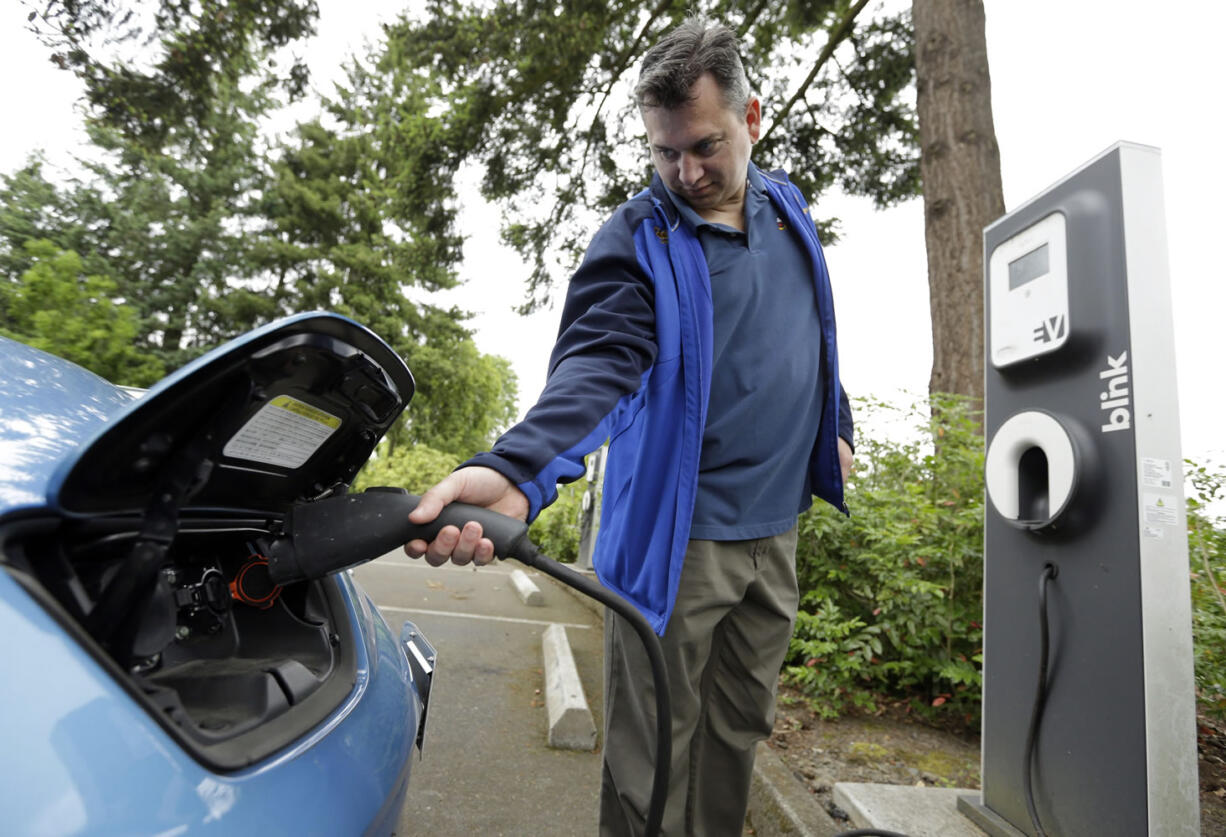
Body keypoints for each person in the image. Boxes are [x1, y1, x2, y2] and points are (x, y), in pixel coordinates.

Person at [404, 16, 854, 836]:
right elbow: (601, 363)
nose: (684, 171)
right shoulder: (638, 238)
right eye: (663, 151)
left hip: (775, 531)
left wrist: (837, 423)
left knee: (737, 732)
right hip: (678, 546)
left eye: (705, 146)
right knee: (652, 755)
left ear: (752, 120)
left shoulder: (789, 209)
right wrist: (520, 467)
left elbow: (813, 331)